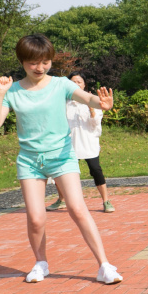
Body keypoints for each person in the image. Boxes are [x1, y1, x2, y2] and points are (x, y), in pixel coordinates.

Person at [0, 35, 123, 285]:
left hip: (61, 156)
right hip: (29, 161)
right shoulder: (13, 91)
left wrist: (101, 103)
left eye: (45, 62)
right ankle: (41, 263)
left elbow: (87, 98)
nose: (40, 68)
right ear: (22, 61)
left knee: (78, 209)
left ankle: (104, 265)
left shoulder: (61, 85)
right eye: (33, 63)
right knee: (36, 217)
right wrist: (0, 93)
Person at [46, 74, 115, 213]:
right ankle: (61, 200)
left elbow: (95, 123)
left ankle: (106, 201)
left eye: (79, 82)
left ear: (84, 85)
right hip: (69, 144)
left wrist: (90, 108)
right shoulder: (64, 103)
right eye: (73, 82)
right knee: (60, 172)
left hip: (88, 143)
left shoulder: (92, 101)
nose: (76, 84)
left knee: (96, 170)